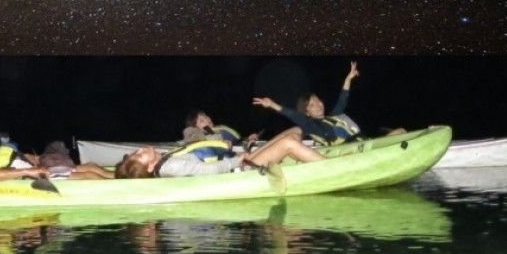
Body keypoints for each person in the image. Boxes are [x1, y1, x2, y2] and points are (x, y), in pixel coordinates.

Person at [252, 61, 406, 146]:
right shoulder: (311, 125)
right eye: (311, 105)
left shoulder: (334, 117)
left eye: (317, 101)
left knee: (401, 131)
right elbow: (292, 114)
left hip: (366, 144)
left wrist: (348, 78)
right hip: (353, 151)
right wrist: (272, 104)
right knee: (400, 134)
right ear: (307, 113)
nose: (318, 105)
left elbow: (342, 98)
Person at [114, 131, 324, 178]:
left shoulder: (166, 159)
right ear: (150, 166)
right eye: (140, 154)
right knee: (288, 143)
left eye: (138, 151)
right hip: (238, 171)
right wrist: (238, 159)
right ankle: (334, 166)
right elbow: (210, 169)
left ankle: (309, 161)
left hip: (237, 162)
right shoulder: (170, 167)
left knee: (292, 133)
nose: (142, 149)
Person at [182, 109, 260, 146]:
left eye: (205, 116)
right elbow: (191, 137)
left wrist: (248, 139)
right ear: (195, 127)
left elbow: (236, 141)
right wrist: (220, 143)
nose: (207, 119)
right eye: (201, 121)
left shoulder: (216, 130)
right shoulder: (200, 134)